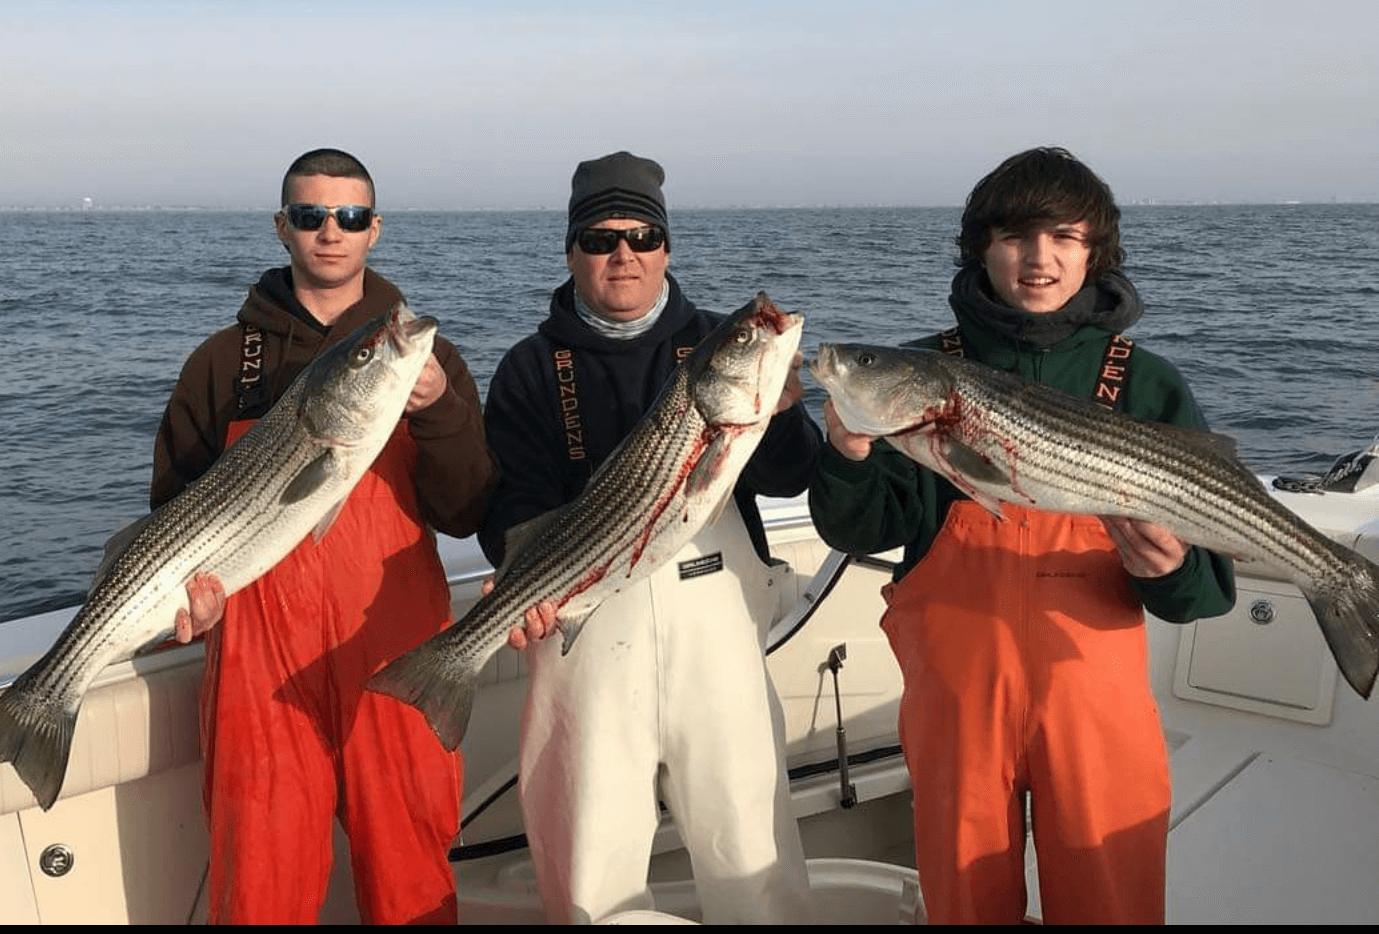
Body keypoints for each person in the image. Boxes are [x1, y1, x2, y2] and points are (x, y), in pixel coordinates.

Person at [808, 146, 1236, 925]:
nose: (1039, 258)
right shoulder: (926, 371)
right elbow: (860, 523)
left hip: (1094, 702)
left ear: (1093, 253)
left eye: (1065, 238)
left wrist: (1168, 568)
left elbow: (1200, 592)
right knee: (965, 903)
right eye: (1014, 236)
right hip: (958, 699)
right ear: (982, 247)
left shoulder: (1144, 383)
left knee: (1113, 900)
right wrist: (846, 451)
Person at [151, 147, 497, 924]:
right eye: (310, 216)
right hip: (255, 662)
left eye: (348, 217)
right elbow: (169, 514)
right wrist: (191, 606)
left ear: (375, 228)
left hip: (393, 648)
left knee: (414, 877)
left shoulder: (429, 361)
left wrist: (437, 408)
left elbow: (469, 508)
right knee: (260, 885)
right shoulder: (220, 364)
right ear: (283, 227)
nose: (329, 232)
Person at [479, 151, 820, 924]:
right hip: (584, 635)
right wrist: (521, 577)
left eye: (641, 234)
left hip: (720, 633)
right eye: (600, 238)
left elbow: (792, 477)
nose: (622, 253)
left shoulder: (718, 341)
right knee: (592, 881)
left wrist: (787, 410)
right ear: (571, 251)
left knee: (757, 863)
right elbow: (512, 505)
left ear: (667, 246)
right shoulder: (531, 368)